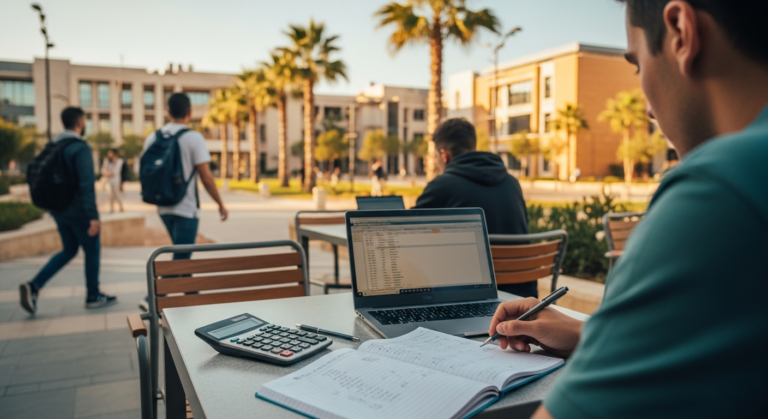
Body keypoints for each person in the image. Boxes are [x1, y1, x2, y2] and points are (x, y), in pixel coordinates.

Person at [490, 1, 768, 418]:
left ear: (680, 33)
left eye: (638, 65)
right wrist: (597, 336)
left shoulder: (720, 188)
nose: (648, 108)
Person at [413, 118, 534, 298]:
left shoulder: (442, 185)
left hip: (468, 295)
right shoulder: (512, 182)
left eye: (436, 157)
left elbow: (408, 238)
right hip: (521, 296)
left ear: (444, 155)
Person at [19, 107, 117, 314]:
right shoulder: (79, 148)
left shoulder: (54, 145)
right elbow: (86, 185)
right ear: (80, 123)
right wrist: (93, 216)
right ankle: (93, 294)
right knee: (92, 250)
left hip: (58, 210)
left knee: (69, 250)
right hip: (78, 211)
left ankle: (34, 286)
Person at [138, 93, 228, 311]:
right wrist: (220, 203)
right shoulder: (193, 138)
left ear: (168, 112)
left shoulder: (153, 137)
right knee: (181, 256)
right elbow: (206, 177)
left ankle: (192, 297)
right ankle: (152, 298)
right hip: (186, 208)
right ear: (190, 113)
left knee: (182, 253)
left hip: (163, 207)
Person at [101, 148, 124, 213]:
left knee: (117, 193)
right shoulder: (107, 161)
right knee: (110, 194)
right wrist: (106, 173)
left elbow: (117, 171)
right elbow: (103, 170)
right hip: (108, 180)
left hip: (116, 180)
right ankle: (112, 208)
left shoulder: (119, 161)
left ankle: (121, 207)